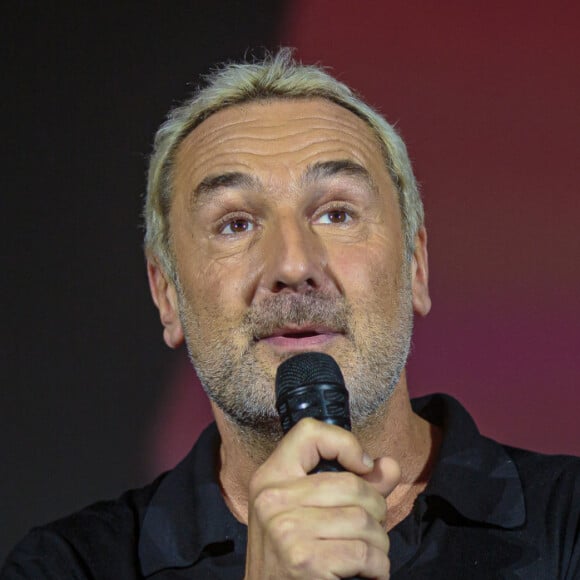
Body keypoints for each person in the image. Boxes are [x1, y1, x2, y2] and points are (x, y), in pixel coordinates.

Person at [2, 48, 579, 579]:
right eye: (236, 223)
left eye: (335, 214)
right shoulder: (64, 567)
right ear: (168, 295)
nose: (294, 263)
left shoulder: (570, 522)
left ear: (415, 267)